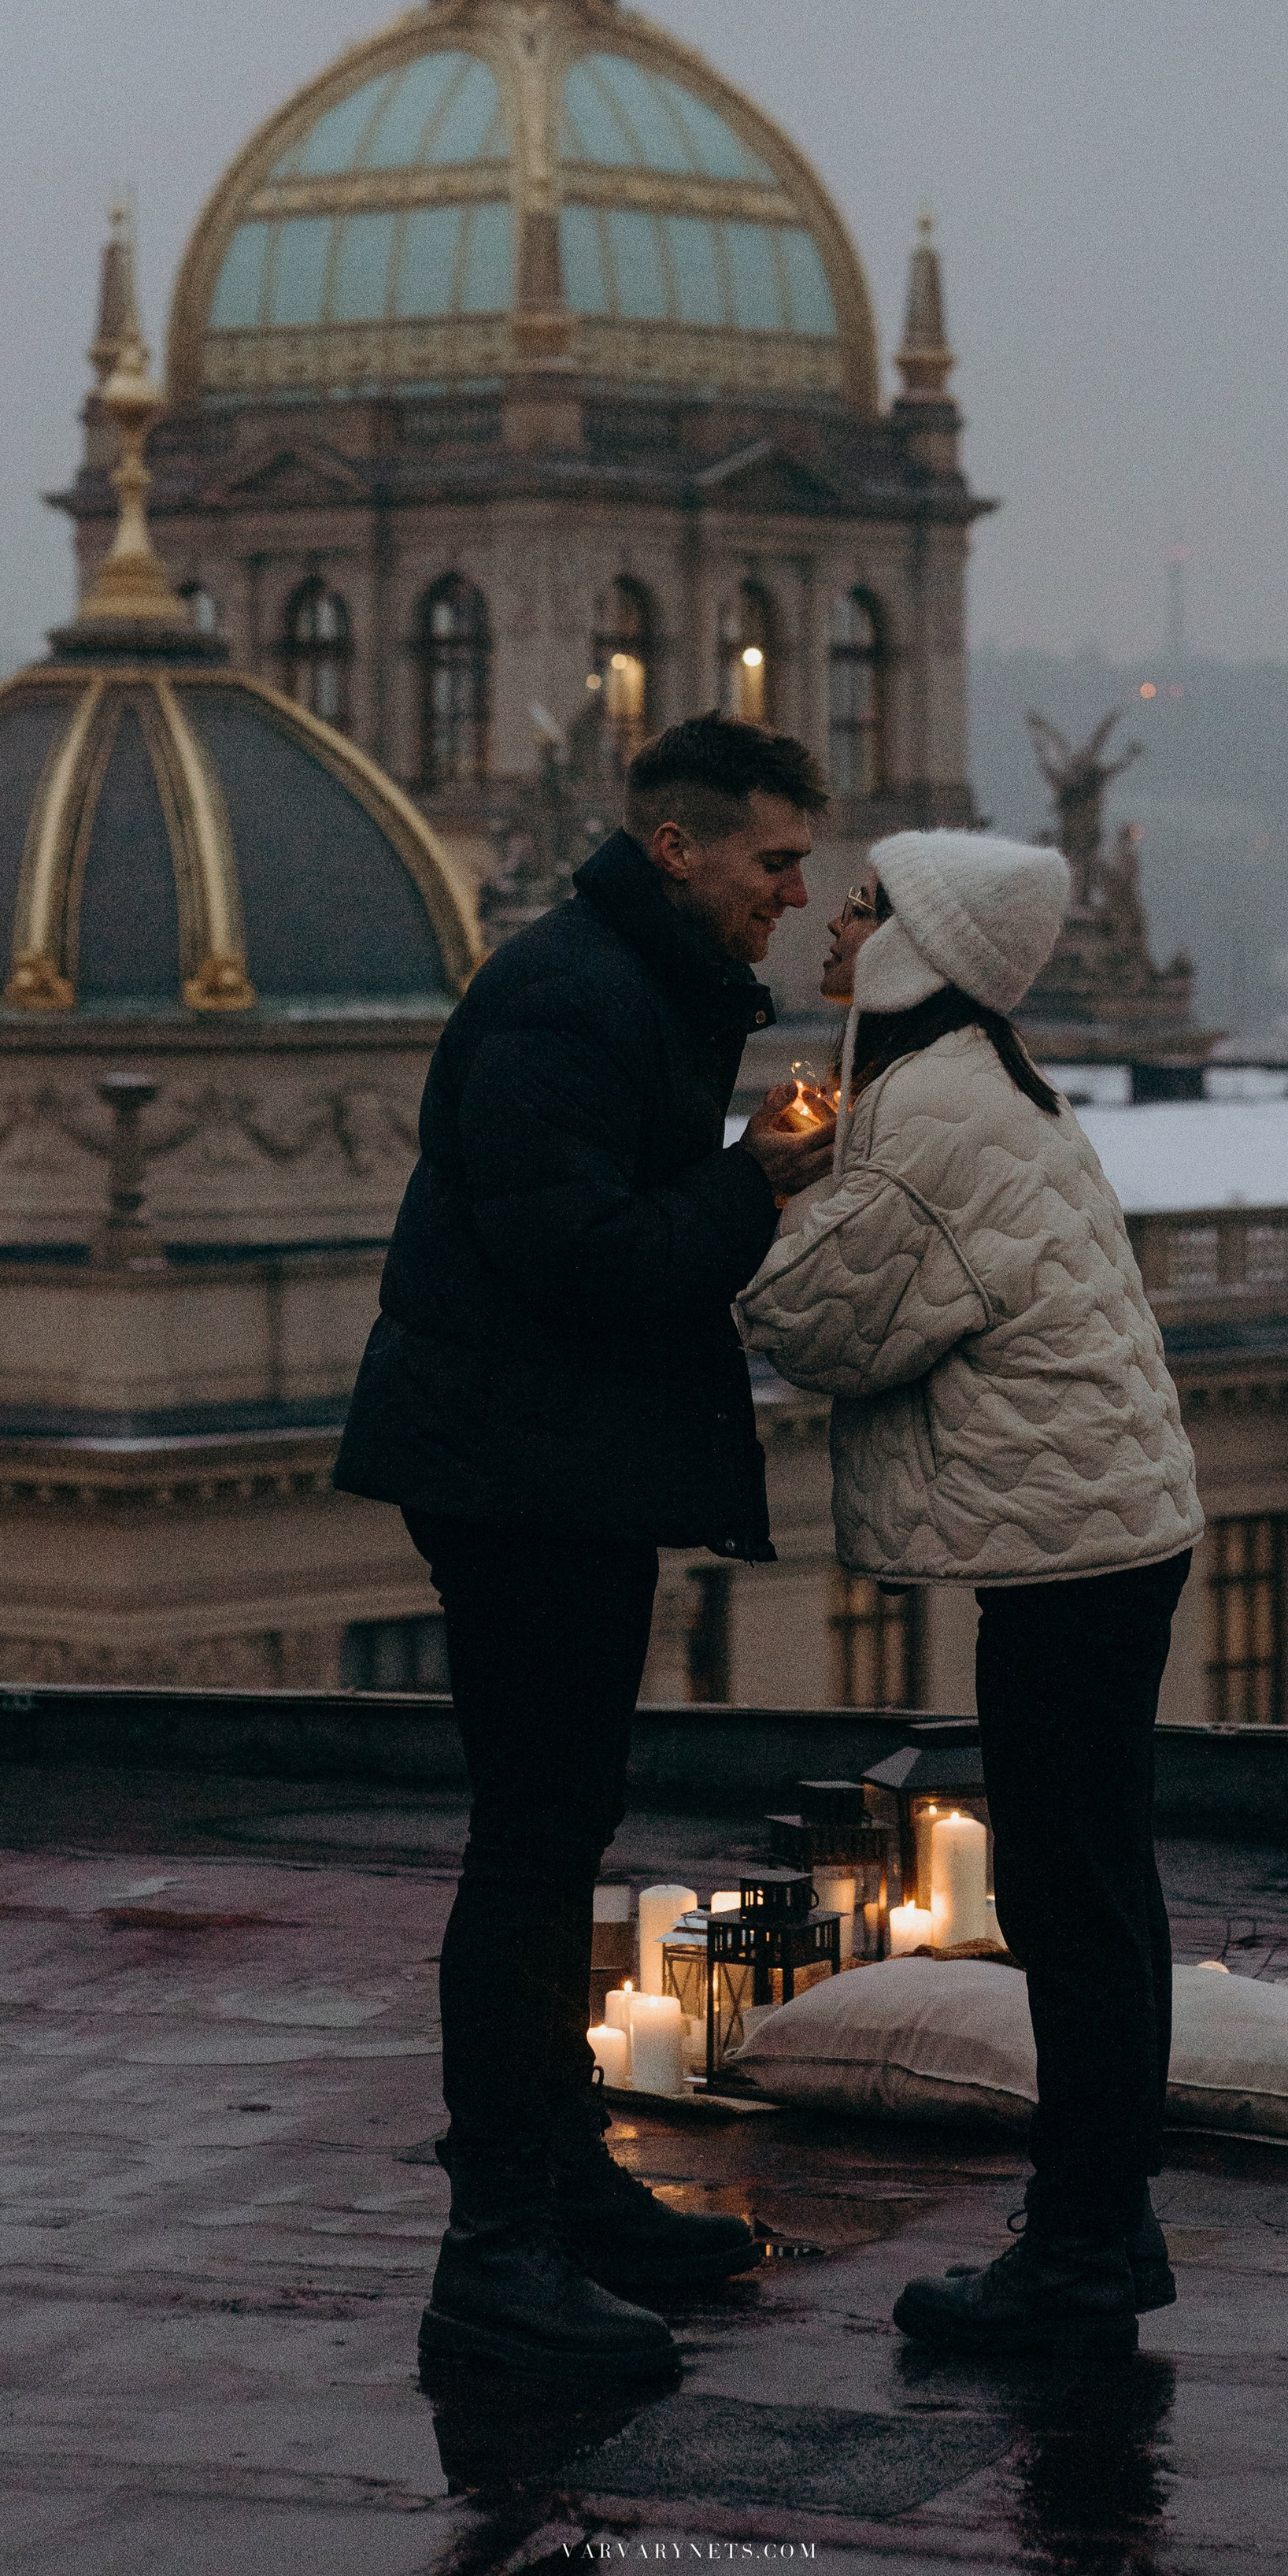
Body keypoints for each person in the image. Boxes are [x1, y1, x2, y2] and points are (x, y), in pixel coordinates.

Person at [335, 713, 835, 2381]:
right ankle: (496, 2253)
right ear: (678, 849)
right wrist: (755, 1182)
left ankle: (559, 2190)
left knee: (555, 1831)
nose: (794, 892)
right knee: (533, 1852)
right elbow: (586, 1258)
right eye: (775, 860)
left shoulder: (625, 983)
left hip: (549, 1461)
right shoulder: (571, 997)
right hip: (521, 1470)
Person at [736, 832, 1203, 2363]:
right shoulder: (985, 1085)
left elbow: (819, 1325)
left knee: (1068, 1898)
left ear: (914, 950)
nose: (832, 921)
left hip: (1069, 1545)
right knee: (1098, 1886)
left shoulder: (928, 1108)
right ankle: (1104, 2221)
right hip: (1104, 1529)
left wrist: (765, 1185)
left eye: (863, 907)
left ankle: (1076, 2247)